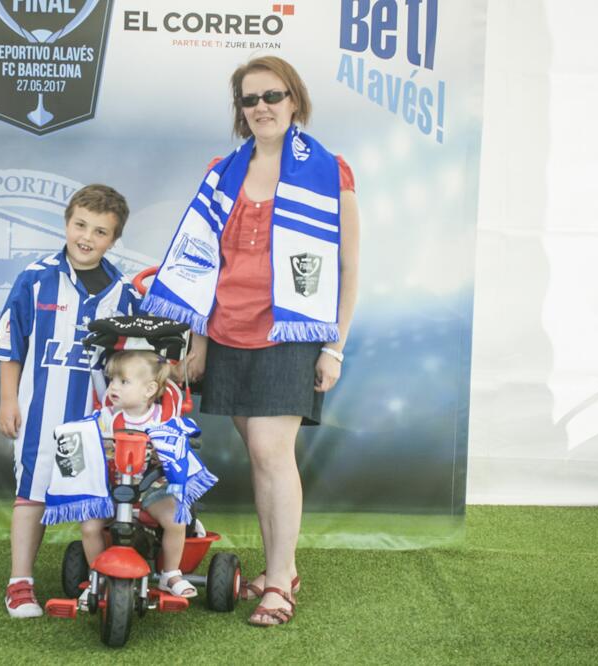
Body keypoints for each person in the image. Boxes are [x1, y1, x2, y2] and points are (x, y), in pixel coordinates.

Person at [142, 56, 361, 626]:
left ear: (295, 100)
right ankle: (278, 568)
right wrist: (198, 339)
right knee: (261, 457)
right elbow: (200, 262)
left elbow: (349, 267)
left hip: (290, 332)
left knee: (271, 453)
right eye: (249, 99)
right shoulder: (223, 170)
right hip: (226, 332)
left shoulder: (330, 171)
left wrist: (334, 346)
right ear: (240, 110)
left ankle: (280, 583)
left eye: (272, 95)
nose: (261, 107)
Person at [0, 184, 142, 618]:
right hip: (42, 413)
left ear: (113, 239)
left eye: (100, 231)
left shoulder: (122, 293)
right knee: (31, 495)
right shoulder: (36, 278)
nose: (86, 237)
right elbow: (9, 343)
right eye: (80, 225)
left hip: (96, 421)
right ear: (66, 222)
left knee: (96, 508)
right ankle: (20, 583)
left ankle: (103, 586)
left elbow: (128, 360)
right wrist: (7, 400)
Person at [89, 350, 198, 599]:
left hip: (151, 487)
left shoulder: (163, 419)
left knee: (176, 521)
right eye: (112, 380)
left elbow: (178, 446)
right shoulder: (107, 418)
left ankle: (170, 574)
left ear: (149, 390)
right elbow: (90, 440)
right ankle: (95, 575)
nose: (113, 387)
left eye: (123, 382)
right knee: (89, 526)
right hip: (114, 487)